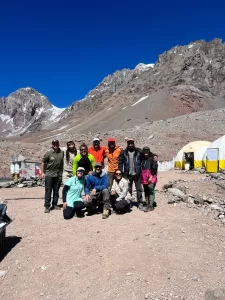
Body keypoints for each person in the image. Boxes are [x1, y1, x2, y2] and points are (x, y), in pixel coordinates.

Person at [118, 138, 143, 209]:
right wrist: (120, 172)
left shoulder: (138, 151)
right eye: (129, 143)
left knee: (139, 189)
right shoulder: (124, 153)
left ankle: (140, 202)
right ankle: (129, 203)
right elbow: (120, 163)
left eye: (132, 143)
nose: (131, 145)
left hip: (137, 174)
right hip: (128, 174)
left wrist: (154, 156)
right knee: (128, 189)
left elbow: (146, 155)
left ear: (134, 144)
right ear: (127, 144)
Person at [41, 139, 64, 213]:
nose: (55, 145)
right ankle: (47, 206)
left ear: (58, 144)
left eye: (57, 143)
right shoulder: (48, 153)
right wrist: (42, 172)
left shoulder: (62, 152)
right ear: (52, 144)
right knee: (48, 191)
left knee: (56, 190)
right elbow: (43, 162)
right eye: (54, 143)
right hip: (49, 175)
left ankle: (54, 204)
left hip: (58, 174)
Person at [141, 147, 158, 212]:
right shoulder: (142, 159)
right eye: (144, 151)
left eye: (147, 151)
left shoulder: (152, 158)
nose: (146, 152)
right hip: (144, 178)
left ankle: (151, 205)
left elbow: (154, 167)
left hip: (151, 177)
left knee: (150, 190)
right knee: (146, 191)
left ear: (149, 151)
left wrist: (151, 176)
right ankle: (147, 204)